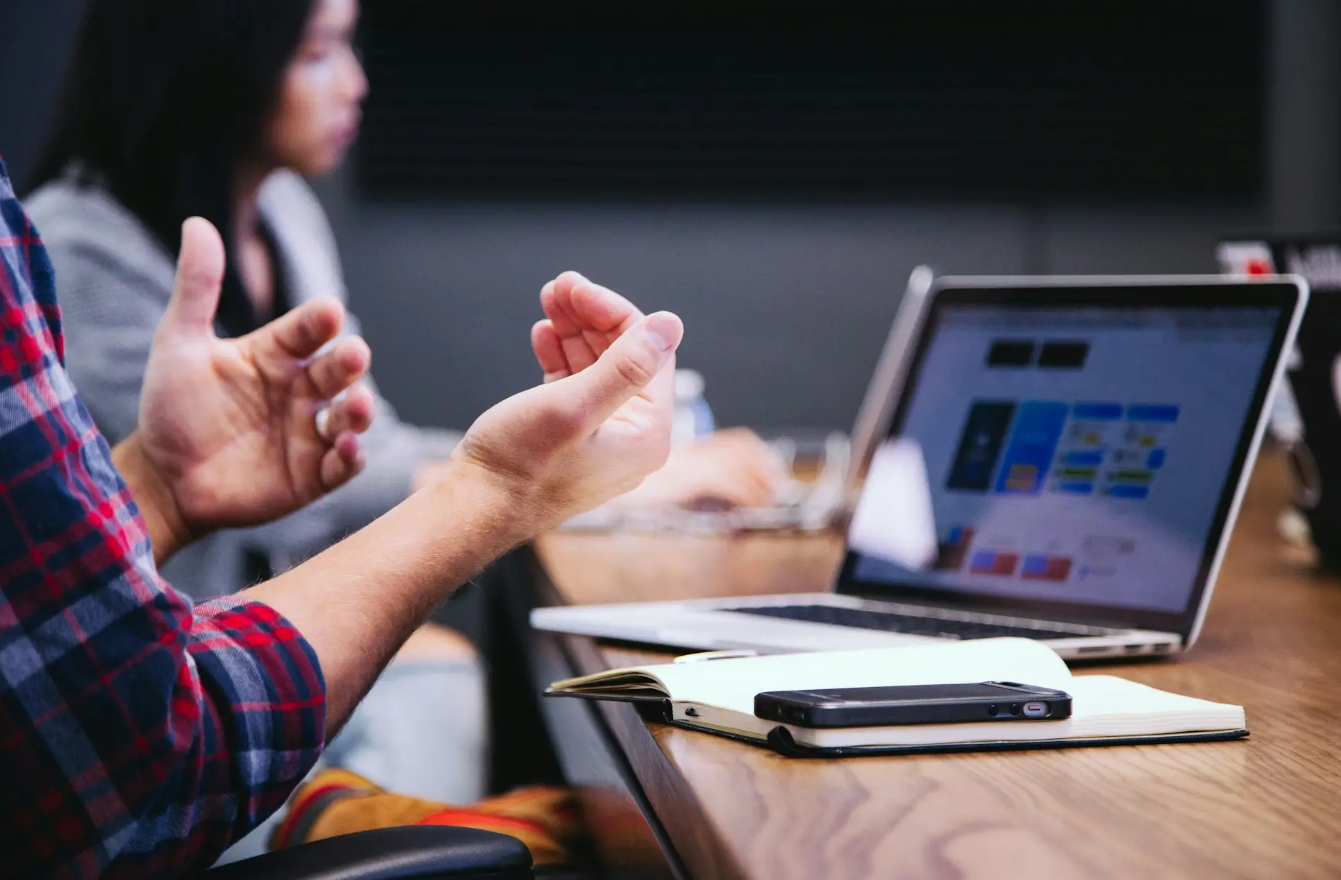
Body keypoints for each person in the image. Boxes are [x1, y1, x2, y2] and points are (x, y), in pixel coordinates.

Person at [0, 155, 685, 876]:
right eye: (320, 49)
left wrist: (158, 491)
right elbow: (134, 764)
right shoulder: (78, 240)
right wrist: (499, 491)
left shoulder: (286, 209)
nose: (354, 80)